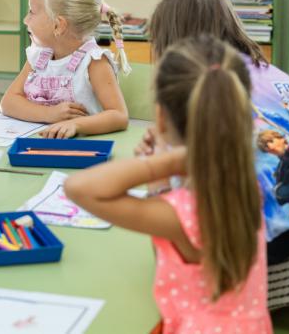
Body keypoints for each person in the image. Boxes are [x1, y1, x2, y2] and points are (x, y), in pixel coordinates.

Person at [140, 0, 289, 309]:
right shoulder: (271, 73)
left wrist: (155, 172)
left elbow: (173, 233)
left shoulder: (198, 90)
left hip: (286, 259)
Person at [65, 36, 272, 333]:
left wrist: (167, 162)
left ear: (160, 118)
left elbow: (78, 187)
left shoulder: (187, 213)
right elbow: (168, 250)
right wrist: (166, 167)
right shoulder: (239, 181)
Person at [0, 0, 129, 139]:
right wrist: (49, 114)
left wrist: (75, 124)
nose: (25, 20)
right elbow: (8, 103)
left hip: (81, 150)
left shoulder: (94, 61)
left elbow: (119, 115)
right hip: (39, 146)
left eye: (32, 12)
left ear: (59, 25)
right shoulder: (38, 57)